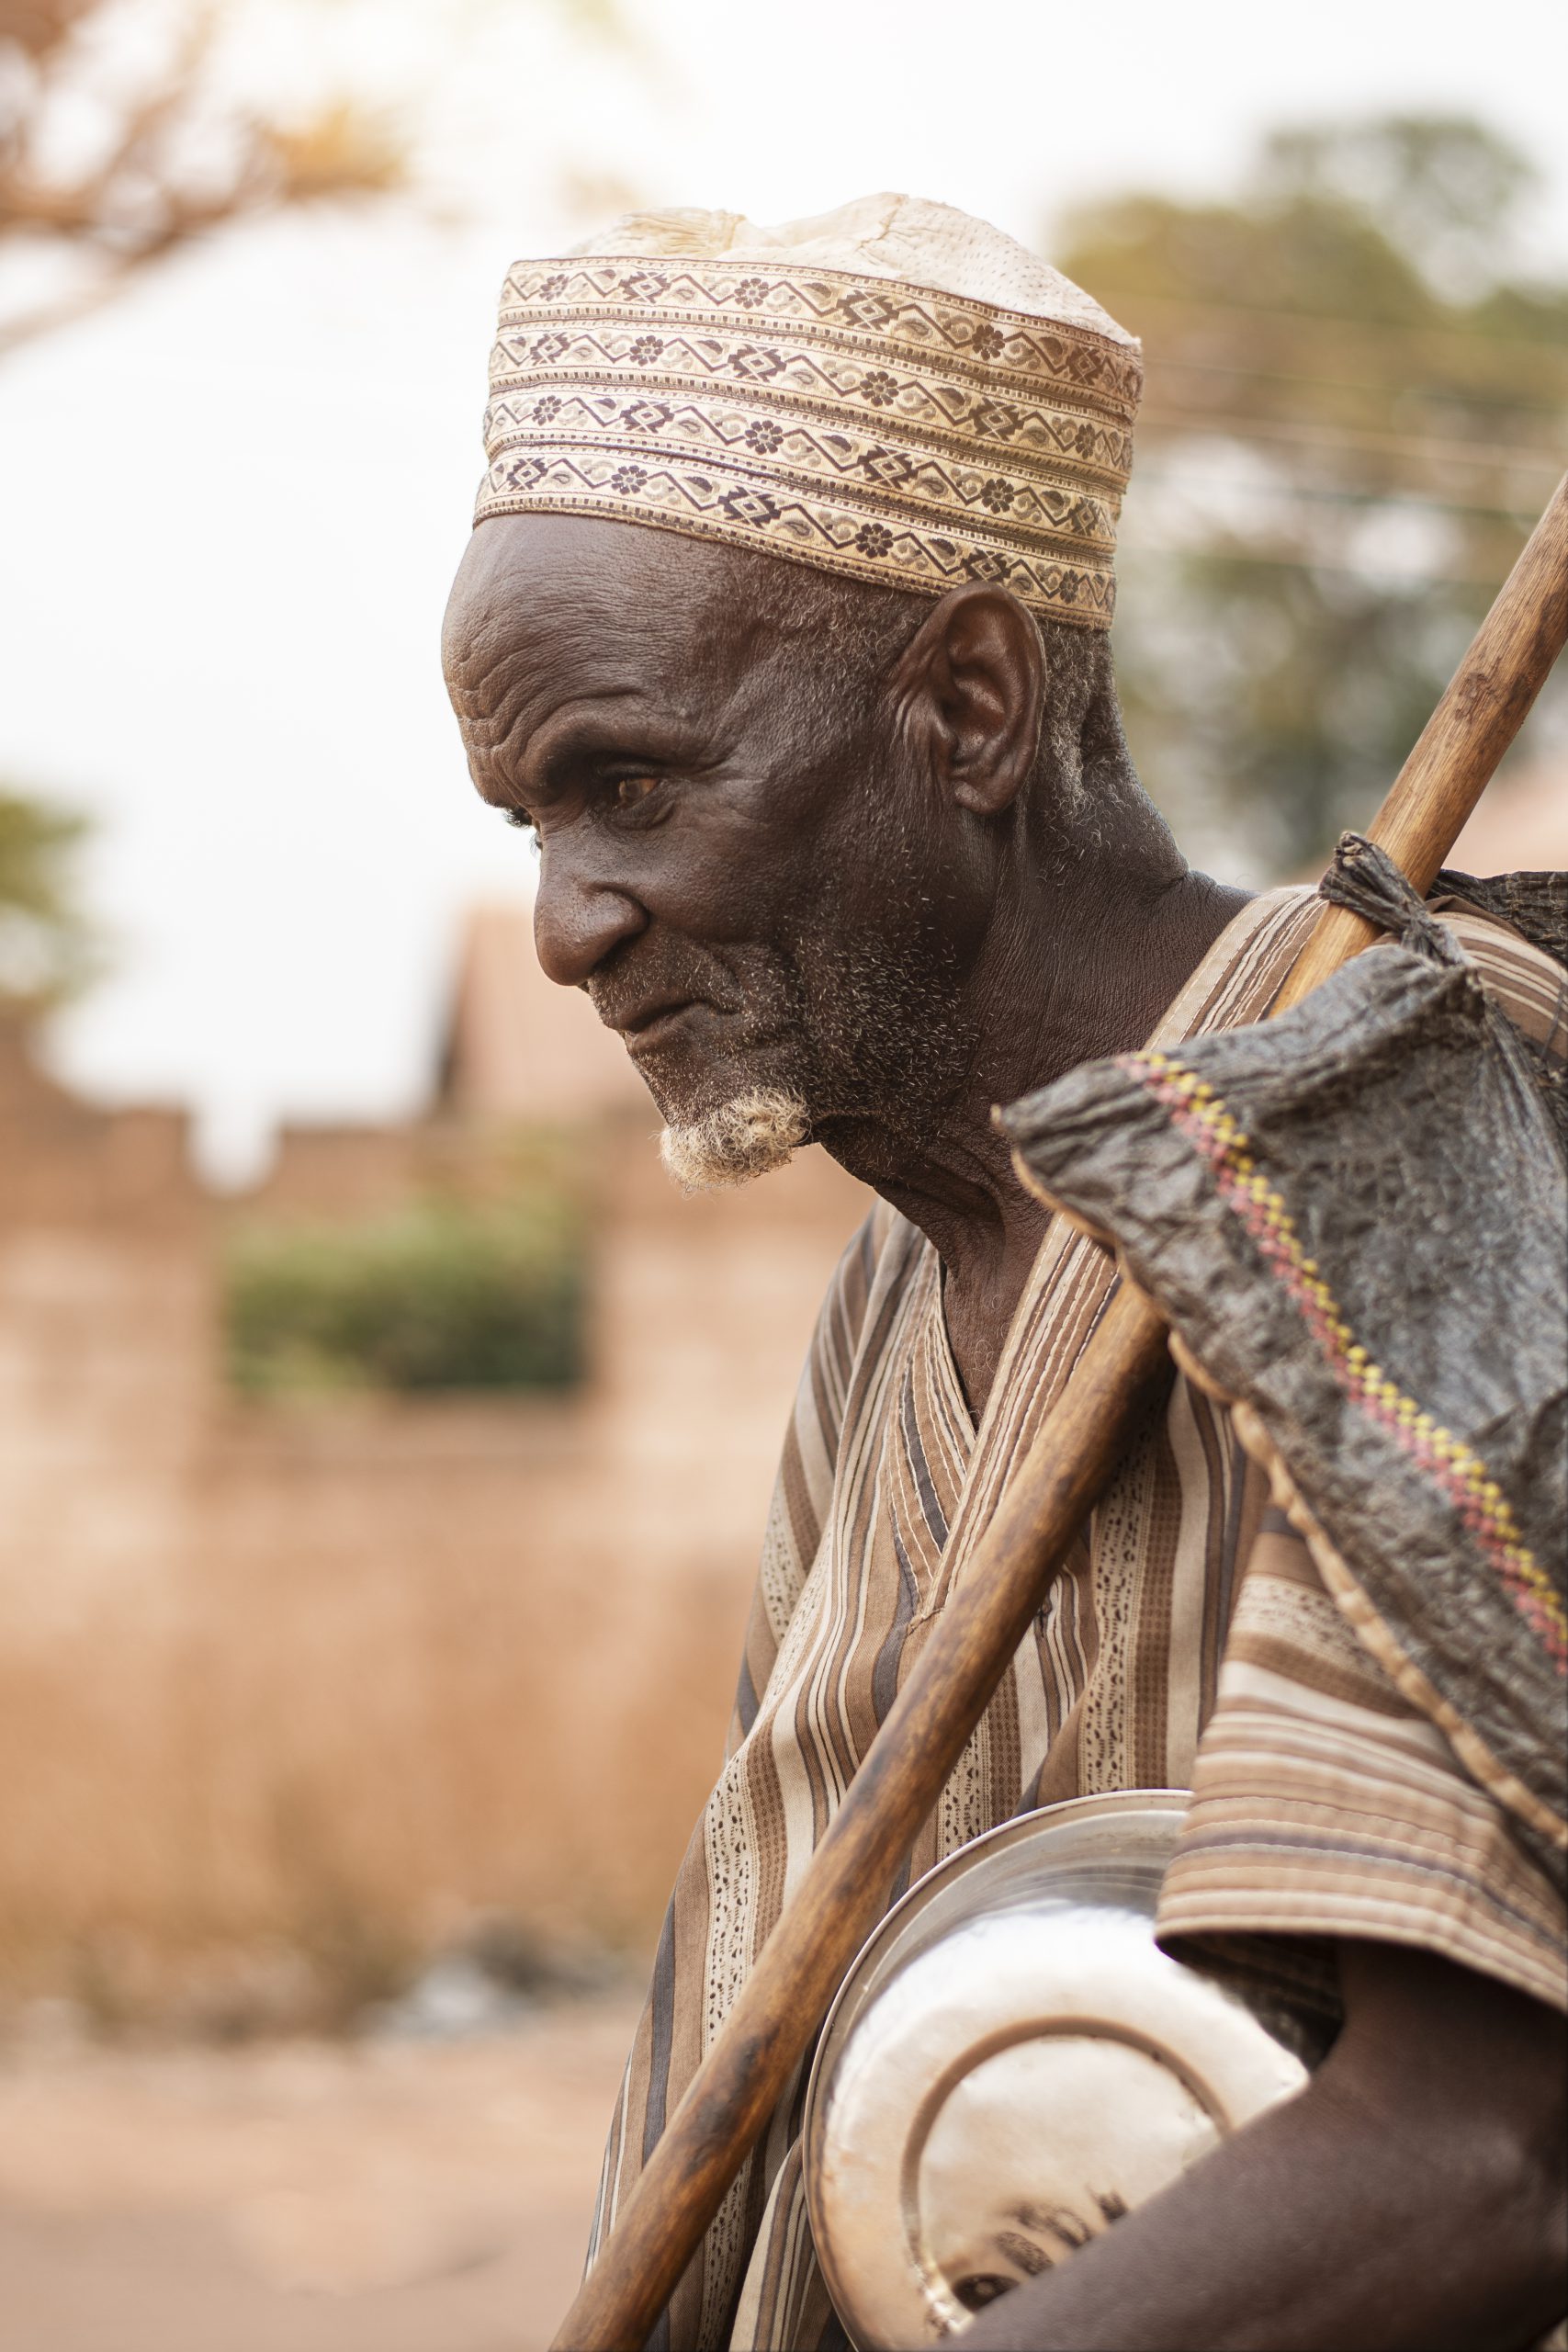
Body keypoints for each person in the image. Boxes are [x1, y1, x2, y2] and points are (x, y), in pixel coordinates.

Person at [442, 196, 1567, 2351]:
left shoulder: (1381, 1134)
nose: (568, 923)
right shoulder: (891, 1286)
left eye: (629, 786)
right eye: (532, 822)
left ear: (960, 706)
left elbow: (1477, 2155)